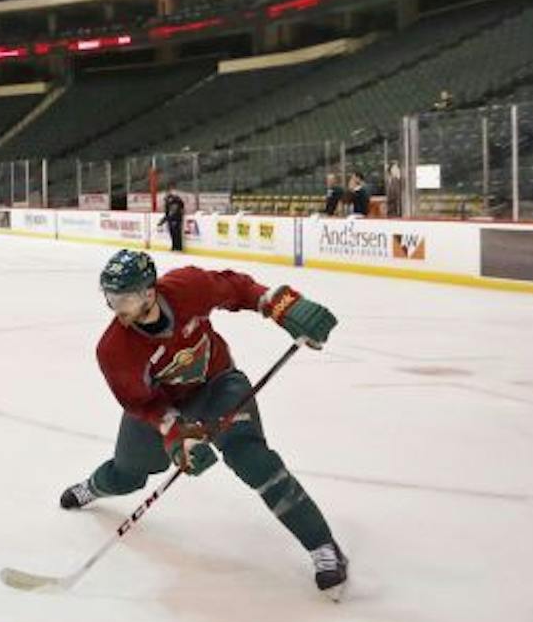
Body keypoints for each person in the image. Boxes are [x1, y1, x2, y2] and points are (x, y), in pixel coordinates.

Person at [60, 249, 347, 598]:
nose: (117, 307)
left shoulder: (187, 286)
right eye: (110, 298)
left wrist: (279, 304)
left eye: (125, 297)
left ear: (149, 292)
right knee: (128, 474)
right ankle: (95, 486)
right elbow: (143, 404)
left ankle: (323, 547)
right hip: (162, 406)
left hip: (217, 386)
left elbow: (237, 289)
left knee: (252, 458)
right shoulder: (114, 349)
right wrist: (178, 437)